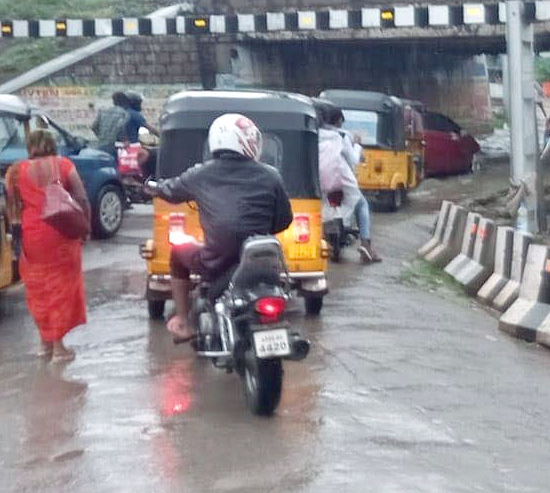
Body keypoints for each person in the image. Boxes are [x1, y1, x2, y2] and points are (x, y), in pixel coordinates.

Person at [151, 113, 293, 340]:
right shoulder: (271, 175)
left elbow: (170, 190)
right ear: (249, 142)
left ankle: (185, 323)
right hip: (262, 258)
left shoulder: (200, 174)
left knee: (178, 253)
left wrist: (153, 186)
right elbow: (284, 219)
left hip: (217, 261)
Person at [3, 129, 91, 360]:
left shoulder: (15, 172)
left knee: (38, 289)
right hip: (61, 233)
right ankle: (60, 347)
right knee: (60, 289)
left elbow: (12, 207)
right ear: (51, 144)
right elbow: (81, 196)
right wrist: (86, 225)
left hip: (32, 236)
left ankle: (45, 345)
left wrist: (15, 239)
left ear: (30, 145)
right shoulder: (63, 165)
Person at [317, 104, 381, 263]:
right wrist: (358, 146)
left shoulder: (315, 134)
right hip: (343, 182)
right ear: (338, 120)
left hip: (322, 182)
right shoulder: (342, 136)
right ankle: (366, 245)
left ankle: (322, 241)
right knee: (362, 205)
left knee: (321, 208)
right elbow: (352, 159)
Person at [92, 91, 131, 157]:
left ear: (113, 101)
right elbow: (120, 128)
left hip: (100, 144)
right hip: (113, 146)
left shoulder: (103, 112)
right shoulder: (124, 114)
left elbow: (94, 126)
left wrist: (101, 136)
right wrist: (125, 141)